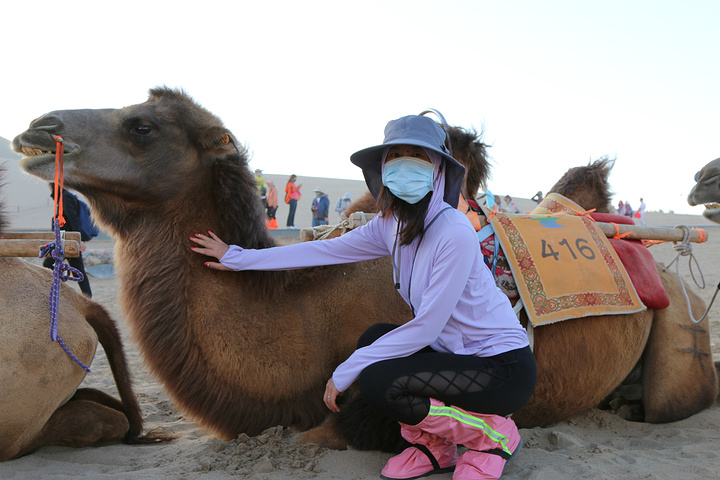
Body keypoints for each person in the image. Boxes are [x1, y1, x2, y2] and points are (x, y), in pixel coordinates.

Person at [190, 115, 536, 480]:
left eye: (417, 155)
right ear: (383, 168)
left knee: (378, 381)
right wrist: (239, 258)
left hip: (502, 368)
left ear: (437, 168)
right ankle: (434, 447)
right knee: (373, 338)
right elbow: (323, 252)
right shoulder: (392, 225)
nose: (405, 164)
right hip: (455, 355)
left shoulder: (454, 233)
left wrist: (346, 370)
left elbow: (425, 327)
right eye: (395, 155)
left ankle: (493, 436)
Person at [42, 183, 93, 298]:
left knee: (47, 265)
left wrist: (79, 239)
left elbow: (74, 219)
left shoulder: (66, 197)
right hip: (65, 239)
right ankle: (88, 296)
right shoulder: (63, 198)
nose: (49, 187)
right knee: (77, 269)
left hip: (67, 240)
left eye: (50, 186)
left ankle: (86, 297)